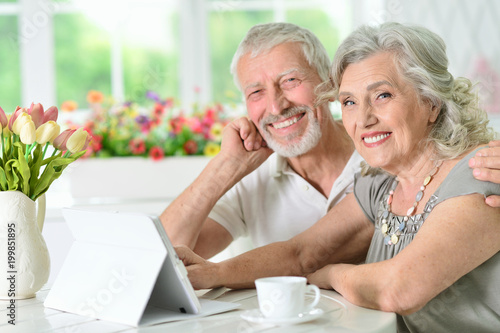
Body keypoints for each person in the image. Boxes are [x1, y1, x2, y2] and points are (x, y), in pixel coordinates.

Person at [176, 22, 500, 332]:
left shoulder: (481, 174)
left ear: (431, 102)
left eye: (383, 95)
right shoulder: (382, 184)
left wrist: (331, 274)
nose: (364, 118)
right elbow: (301, 254)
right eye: (349, 102)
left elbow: (399, 290)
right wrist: (213, 273)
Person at [160, 22, 370, 260]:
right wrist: (225, 166)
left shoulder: (379, 151)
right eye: (256, 92)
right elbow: (165, 257)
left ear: (329, 83)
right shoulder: (251, 176)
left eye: (290, 80)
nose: (276, 106)